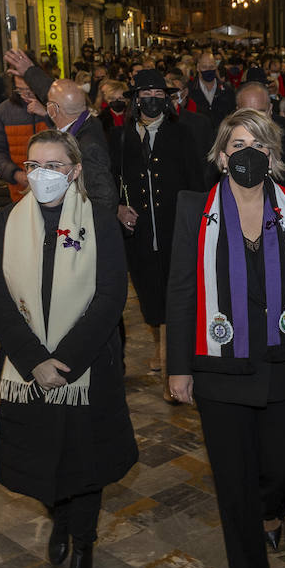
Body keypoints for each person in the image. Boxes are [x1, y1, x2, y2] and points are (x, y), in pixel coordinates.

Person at [166, 110, 285, 568]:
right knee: (231, 476)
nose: (248, 153)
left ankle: (271, 513)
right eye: (238, 144)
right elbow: (180, 290)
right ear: (221, 155)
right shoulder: (193, 209)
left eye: (259, 144)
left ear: (272, 156)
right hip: (219, 364)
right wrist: (177, 366)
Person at [0, 129, 137, 568]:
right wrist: (35, 362)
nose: (43, 175)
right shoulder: (10, 220)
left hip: (86, 366)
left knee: (84, 460)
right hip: (28, 368)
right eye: (34, 166)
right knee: (43, 453)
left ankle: (84, 542)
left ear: (73, 172)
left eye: (54, 166)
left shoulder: (100, 220)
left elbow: (111, 296)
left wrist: (64, 361)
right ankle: (59, 516)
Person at [112, 69, 205, 387]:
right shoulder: (122, 138)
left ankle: (171, 362)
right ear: (135, 100)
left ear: (167, 100)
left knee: (174, 296)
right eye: (146, 95)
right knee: (150, 296)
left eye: (158, 95)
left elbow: (197, 184)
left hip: (175, 234)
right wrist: (117, 208)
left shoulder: (182, 135)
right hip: (138, 236)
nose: (152, 101)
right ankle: (159, 346)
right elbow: (111, 182)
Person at [1, 49, 118, 210]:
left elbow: (105, 199)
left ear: (53, 110)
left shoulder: (88, 147)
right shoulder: (86, 121)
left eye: (49, 105)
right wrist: (30, 71)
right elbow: (56, 94)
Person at [188, 51, 236, 127]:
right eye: (204, 67)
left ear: (216, 67)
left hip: (221, 136)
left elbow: (233, 117)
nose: (208, 70)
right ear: (198, 67)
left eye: (211, 67)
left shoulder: (227, 91)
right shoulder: (189, 91)